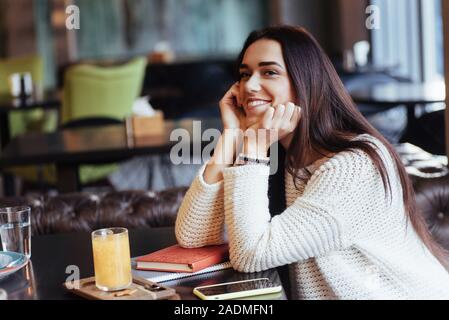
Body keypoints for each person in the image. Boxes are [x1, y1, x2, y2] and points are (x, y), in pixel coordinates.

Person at [175, 25, 449, 300]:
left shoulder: (354, 165)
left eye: (269, 72)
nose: (249, 86)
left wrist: (254, 146)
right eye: (245, 74)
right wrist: (232, 137)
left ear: (305, 82)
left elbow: (251, 255)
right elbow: (192, 235)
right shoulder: (270, 156)